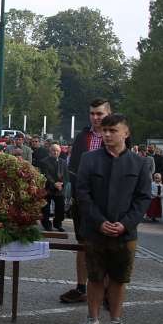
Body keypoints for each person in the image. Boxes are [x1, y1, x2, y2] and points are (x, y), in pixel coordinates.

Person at [76, 114, 149, 324]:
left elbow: (143, 198)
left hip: (124, 234)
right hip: (95, 231)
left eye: (113, 130)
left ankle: (116, 322)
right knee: (95, 277)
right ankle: (92, 318)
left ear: (125, 133)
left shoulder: (139, 163)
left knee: (118, 279)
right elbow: (82, 194)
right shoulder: (89, 159)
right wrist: (99, 222)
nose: (107, 134)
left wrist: (125, 224)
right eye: (104, 130)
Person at [59, 98, 111, 305]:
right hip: (83, 200)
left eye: (100, 114)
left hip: (107, 201)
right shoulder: (82, 136)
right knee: (82, 245)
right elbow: (73, 168)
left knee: (108, 247)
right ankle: (81, 287)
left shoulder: (117, 135)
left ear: (108, 113)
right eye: (92, 113)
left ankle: (107, 291)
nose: (96, 117)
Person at [40, 144, 68, 232]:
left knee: (60, 208)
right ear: (50, 151)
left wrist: (61, 184)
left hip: (59, 189)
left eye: (57, 151)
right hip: (48, 188)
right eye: (53, 150)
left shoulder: (63, 162)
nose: (55, 152)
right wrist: (54, 184)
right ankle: (47, 224)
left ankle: (58, 224)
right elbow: (45, 175)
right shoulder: (44, 162)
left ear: (60, 152)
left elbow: (66, 176)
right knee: (46, 209)